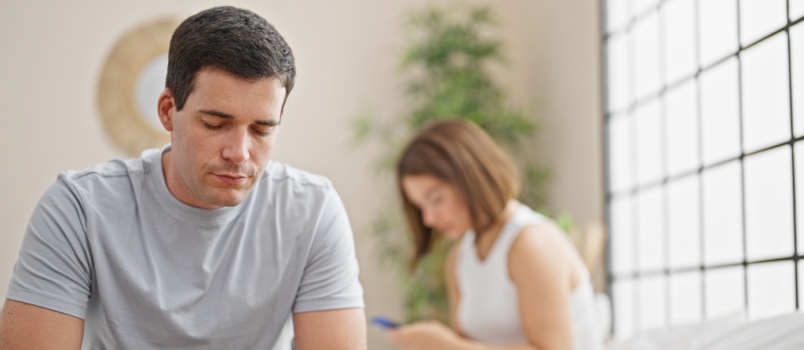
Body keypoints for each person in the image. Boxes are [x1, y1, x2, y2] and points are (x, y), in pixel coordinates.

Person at [0, 6, 366, 349]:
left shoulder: (312, 210)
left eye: (261, 129)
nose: (239, 152)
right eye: (215, 124)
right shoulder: (78, 209)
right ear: (167, 112)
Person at [387, 119, 603, 349]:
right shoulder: (459, 260)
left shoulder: (532, 243)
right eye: (420, 207)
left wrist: (449, 346)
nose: (428, 219)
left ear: (471, 180)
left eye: (436, 200)